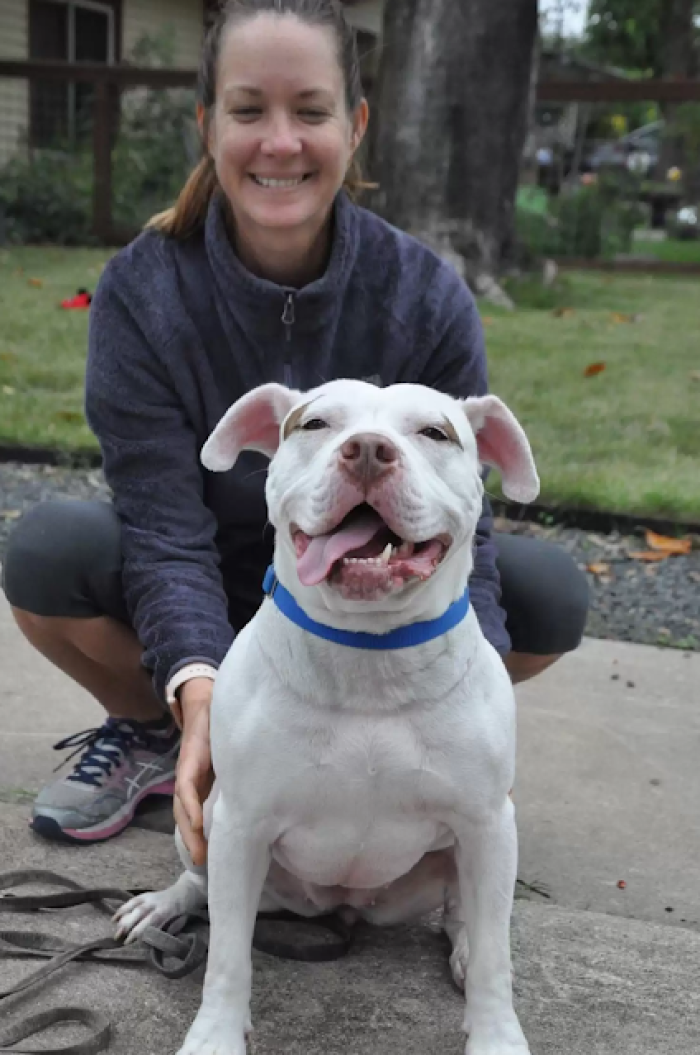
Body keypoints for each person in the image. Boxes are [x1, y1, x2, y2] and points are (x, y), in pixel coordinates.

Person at [1, 0, 588, 867]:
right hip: (212, 581)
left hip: (368, 590)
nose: (280, 143)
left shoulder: (425, 295)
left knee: (548, 596)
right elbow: (163, 528)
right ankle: (154, 728)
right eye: (248, 111)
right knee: (49, 550)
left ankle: (381, 746)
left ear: (355, 126)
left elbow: (467, 517)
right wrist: (204, 695)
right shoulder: (142, 292)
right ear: (208, 126)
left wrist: (477, 726)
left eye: (310, 111)